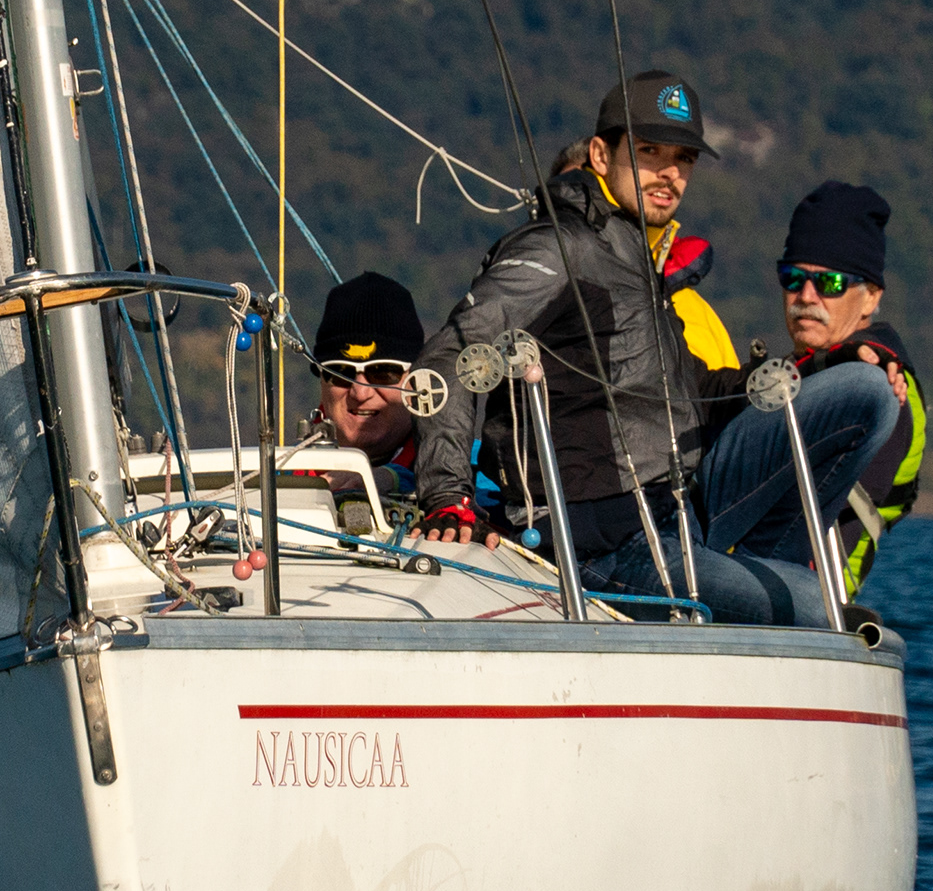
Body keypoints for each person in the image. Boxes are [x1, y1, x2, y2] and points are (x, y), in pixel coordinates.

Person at [411, 75, 830, 621]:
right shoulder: (561, 248)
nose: (670, 173)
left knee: (855, 394)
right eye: (649, 152)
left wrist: (808, 368)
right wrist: (448, 497)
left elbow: (691, 391)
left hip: (668, 519)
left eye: (683, 159)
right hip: (596, 545)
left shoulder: (636, 256)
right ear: (601, 156)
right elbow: (450, 356)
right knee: (811, 607)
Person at [695, 179, 922, 608]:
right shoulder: (803, 370)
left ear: (871, 297)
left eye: (830, 283)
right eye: (792, 278)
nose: (806, 296)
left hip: (796, 593)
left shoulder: (886, 386)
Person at [307, 271, 428, 503]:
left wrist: (394, 479)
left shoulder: (477, 466)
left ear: (418, 380)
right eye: (340, 372)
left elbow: (489, 499)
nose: (360, 392)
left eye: (383, 373)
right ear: (321, 378)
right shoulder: (275, 479)